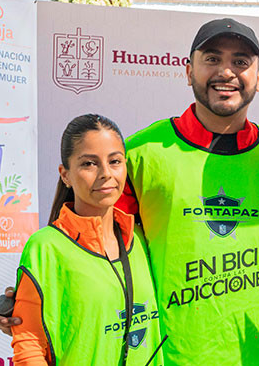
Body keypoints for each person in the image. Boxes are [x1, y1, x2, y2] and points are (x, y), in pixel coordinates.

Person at [0, 18, 259, 365]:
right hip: (173, 357)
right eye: (212, 58)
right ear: (188, 70)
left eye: (241, 61)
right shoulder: (140, 154)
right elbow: (93, 249)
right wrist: (30, 305)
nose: (226, 71)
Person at [11, 114, 163, 365]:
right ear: (66, 174)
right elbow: (29, 342)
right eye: (89, 164)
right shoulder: (46, 247)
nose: (106, 173)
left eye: (115, 161)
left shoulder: (140, 237)